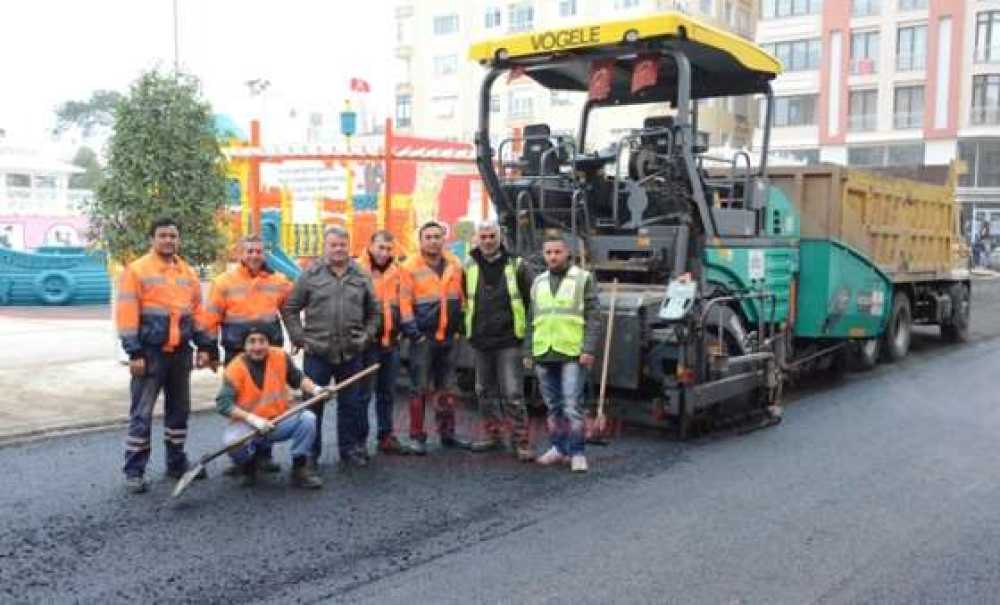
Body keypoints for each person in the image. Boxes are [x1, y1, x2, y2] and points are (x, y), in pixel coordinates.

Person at [115, 217, 216, 494]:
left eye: (173, 236)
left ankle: (176, 462)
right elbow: (126, 314)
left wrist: (206, 346)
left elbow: (196, 313)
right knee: (142, 413)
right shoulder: (137, 270)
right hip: (149, 353)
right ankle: (134, 470)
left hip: (181, 353)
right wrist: (133, 351)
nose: (169, 240)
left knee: (179, 410)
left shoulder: (188, 272)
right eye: (163, 236)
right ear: (152, 239)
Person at [281, 226, 378, 468]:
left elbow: (375, 312)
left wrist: (366, 337)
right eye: (333, 245)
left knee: (351, 404)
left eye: (342, 244)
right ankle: (310, 454)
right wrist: (299, 338)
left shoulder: (361, 275)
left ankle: (349, 450)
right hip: (318, 353)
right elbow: (290, 308)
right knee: (313, 405)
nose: (338, 249)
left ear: (349, 246)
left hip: (351, 352)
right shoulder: (310, 275)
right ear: (325, 247)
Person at [201, 234, 292, 475]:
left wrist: (298, 337)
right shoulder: (223, 282)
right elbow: (211, 317)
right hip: (236, 352)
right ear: (240, 253)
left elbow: (289, 310)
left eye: (258, 251)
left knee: (269, 404)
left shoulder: (279, 280)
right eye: (249, 251)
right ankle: (242, 456)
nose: (254, 255)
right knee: (240, 404)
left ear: (264, 253)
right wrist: (208, 350)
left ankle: (264, 455)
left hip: (270, 352)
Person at [524, 233, 601, 473]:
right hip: (544, 352)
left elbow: (594, 317)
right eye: (548, 252)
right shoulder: (538, 282)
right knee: (553, 407)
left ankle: (577, 452)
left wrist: (588, 348)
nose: (553, 256)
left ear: (568, 253)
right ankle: (558, 448)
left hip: (571, 353)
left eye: (557, 252)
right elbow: (531, 319)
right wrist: (528, 350)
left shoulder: (583, 278)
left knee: (571, 406)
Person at [215, 326, 324, 489]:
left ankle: (300, 468)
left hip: (277, 421)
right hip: (249, 425)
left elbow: (298, 379)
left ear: (268, 343)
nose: (257, 347)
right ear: (244, 346)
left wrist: (316, 390)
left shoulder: (280, 356)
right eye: (252, 342)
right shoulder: (235, 368)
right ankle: (248, 468)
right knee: (232, 442)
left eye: (262, 341)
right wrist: (252, 419)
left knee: (308, 419)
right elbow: (223, 404)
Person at [464, 221, 535, 461]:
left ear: (501, 237)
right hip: (482, 340)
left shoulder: (517, 265)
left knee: (513, 393)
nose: (487, 241)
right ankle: (492, 436)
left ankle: (521, 442)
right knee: (484, 391)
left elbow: (531, 300)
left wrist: (527, 339)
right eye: (483, 236)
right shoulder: (469, 265)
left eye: (492, 236)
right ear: (477, 238)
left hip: (509, 340)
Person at [399, 221, 471, 455]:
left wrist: (459, 326)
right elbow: (404, 303)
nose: (433, 241)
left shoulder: (455, 263)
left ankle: (447, 434)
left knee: (447, 388)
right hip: (424, 338)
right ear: (420, 241)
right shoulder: (409, 266)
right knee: (419, 388)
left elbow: (462, 297)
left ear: (444, 239)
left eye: (437, 236)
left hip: (449, 337)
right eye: (428, 237)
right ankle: (417, 437)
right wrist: (414, 334)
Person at [358, 230, 414, 455]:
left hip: (390, 342)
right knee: (362, 395)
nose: (384, 253)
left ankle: (385, 436)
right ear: (370, 246)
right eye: (380, 247)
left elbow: (405, 302)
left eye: (389, 249)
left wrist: (405, 330)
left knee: (387, 393)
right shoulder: (357, 270)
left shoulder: (399, 271)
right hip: (366, 343)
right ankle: (359, 441)